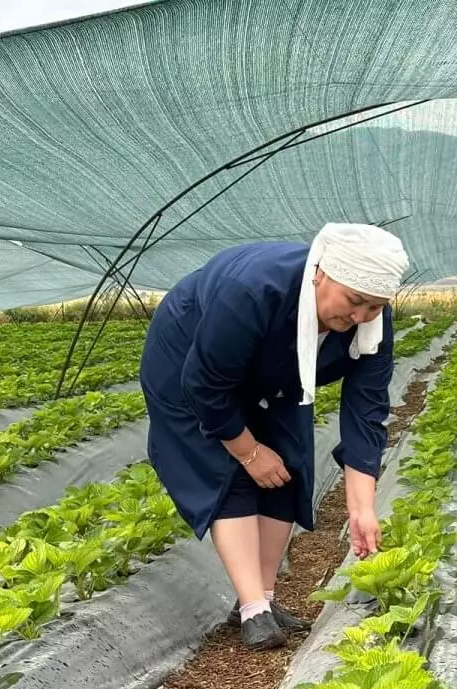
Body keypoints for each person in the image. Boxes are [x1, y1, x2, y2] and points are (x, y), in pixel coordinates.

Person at [138, 223, 408, 651]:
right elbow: (206, 384)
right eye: (354, 301)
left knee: (288, 461)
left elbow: (366, 409)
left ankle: (263, 598)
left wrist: (362, 508)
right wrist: (247, 451)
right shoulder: (253, 290)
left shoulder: (372, 320)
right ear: (320, 273)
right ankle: (252, 609)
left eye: (375, 307)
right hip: (188, 367)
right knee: (233, 470)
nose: (360, 318)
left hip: (279, 370)